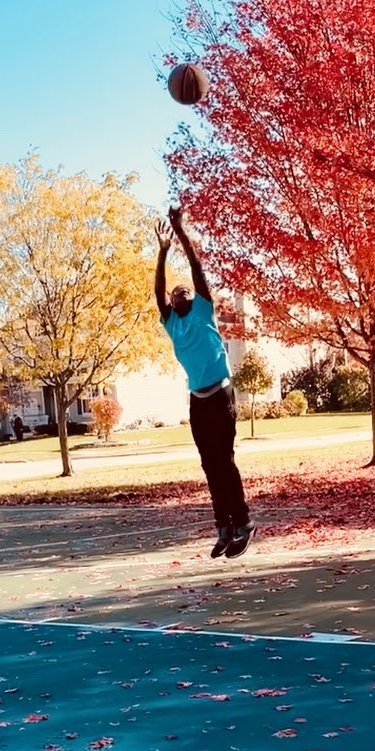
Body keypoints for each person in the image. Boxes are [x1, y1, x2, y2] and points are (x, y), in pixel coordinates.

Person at [154, 206, 256, 559]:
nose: (180, 293)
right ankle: (224, 527)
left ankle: (243, 522)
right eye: (175, 293)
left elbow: (196, 269)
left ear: (193, 299)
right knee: (209, 464)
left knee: (224, 461)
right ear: (171, 302)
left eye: (185, 292)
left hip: (221, 394)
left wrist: (180, 233)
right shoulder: (172, 323)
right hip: (198, 401)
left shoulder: (202, 309)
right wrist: (163, 252)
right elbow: (158, 290)